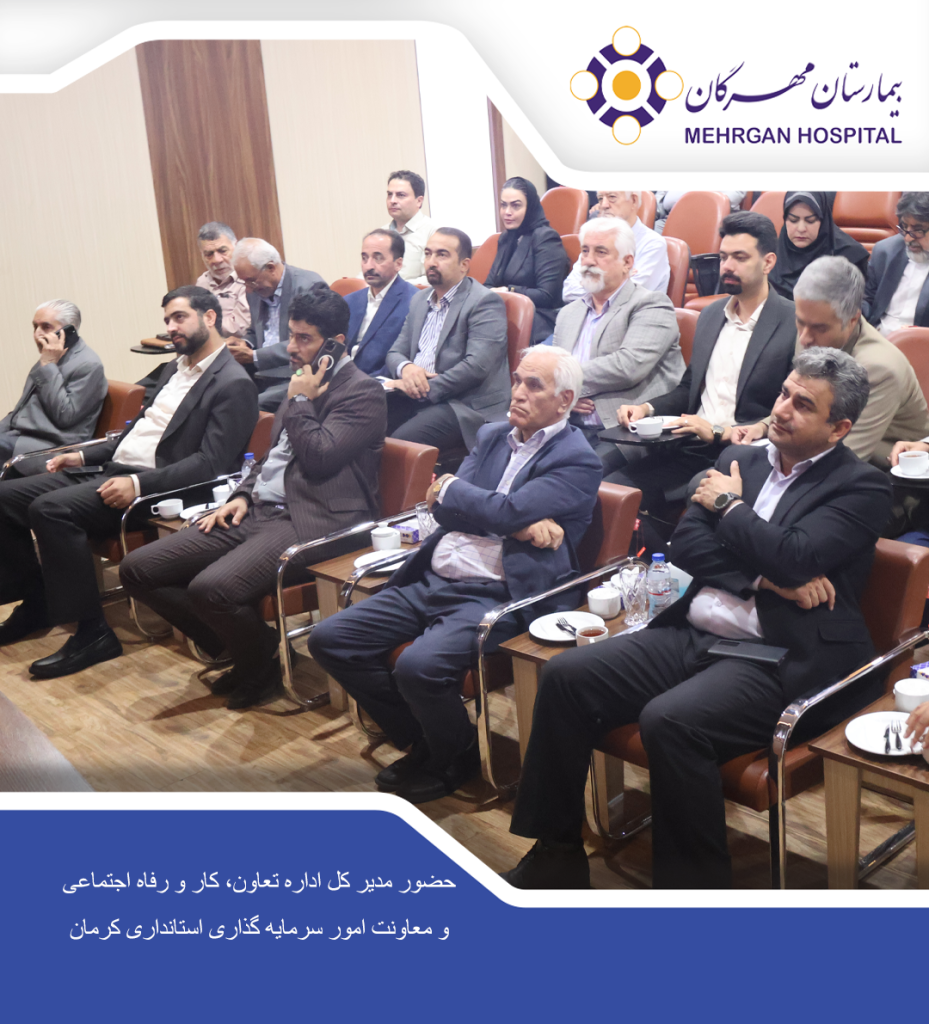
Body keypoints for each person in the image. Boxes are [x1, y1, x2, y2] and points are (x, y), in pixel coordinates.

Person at [502, 346, 892, 889]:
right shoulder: (743, 459)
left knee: (672, 720)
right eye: (784, 393)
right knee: (567, 676)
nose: (781, 409)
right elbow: (686, 545)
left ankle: (695, 897)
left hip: (777, 655)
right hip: (695, 630)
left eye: (804, 405)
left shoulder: (861, 486)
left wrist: (730, 508)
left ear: (839, 428)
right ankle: (556, 854)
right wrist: (762, 579)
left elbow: (796, 556)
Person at [309, 346, 602, 804]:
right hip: (432, 577)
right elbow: (443, 510)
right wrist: (511, 522)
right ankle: (425, 739)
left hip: (496, 593)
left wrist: (458, 491)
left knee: (418, 667)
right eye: (517, 380)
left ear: (565, 400)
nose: (518, 392)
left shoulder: (577, 459)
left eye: (534, 385)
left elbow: (492, 506)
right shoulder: (491, 435)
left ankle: (455, 755)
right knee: (329, 640)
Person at [120, 285, 386, 710]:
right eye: (292, 335)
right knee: (138, 569)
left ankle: (257, 665)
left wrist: (300, 400)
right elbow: (272, 456)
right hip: (259, 509)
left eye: (304, 338)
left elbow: (319, 458)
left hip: (314, 518)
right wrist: (242, 494)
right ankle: (253, 649)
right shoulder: (302, 379)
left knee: (212, 589)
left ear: (335, 343)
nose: (292, 348)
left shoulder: (362, 391)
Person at [0, 286, 259, 678]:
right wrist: (83, 455)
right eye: (167, 320)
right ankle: (38, 600)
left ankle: (93, 633)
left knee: (51, 510)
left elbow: (210, 464)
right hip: (112, 471)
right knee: (4, 497)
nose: (171, 327)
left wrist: (138, 485)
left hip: (157, 489)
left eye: (180, 317)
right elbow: (135, 433)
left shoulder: (233, 383)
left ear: (209, 317)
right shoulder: (174, 369)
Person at [613, 212, 796, 540]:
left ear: (768, 262)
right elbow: (689, 387)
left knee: (690, 495)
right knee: (612, 488)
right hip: (689, 447)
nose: (727, 266)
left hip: (746, 454)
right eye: (724, 257)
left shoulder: (792, 321)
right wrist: (646, 409)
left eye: (740, 257)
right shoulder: (711, 315)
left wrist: (719, 432)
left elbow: (791, 408)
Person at [733, 256, 929, 466]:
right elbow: (800, 399)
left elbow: (844, 460)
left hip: (883, 470)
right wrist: (764, 426)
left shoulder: (879, 368)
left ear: (852, 320)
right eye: (800, 321)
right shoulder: (813, 334)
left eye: (820, 328)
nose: (804, 338)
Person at [553, 217, 682, 476]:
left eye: (601, 252)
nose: (589, 261)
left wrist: (566, 384)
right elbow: (553, 369)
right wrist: (562, 397)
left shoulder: (651, 304)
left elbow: (627, 366)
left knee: (571, 474)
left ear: (627, 262)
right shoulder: (568, 313)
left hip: (622, 431)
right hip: (569, 424)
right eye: (585, 251)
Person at [384, 228, 509, 455]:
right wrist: (407, 368)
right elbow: (395, 352)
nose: (431, 262)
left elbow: (476, 367)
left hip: (463, 404)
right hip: (417, 394)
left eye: (442, 255)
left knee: (400, 444)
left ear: (464, 265)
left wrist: (421, 389)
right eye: (428, 254)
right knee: (365, 423)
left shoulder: (484, 302)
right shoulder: (419, 299)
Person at [0, 300, 107, 475]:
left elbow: (65, 417)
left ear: (69, 330)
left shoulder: (88, 364)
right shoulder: (50, 356)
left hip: (51, 447)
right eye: (35, 327)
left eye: (46, 327)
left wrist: (48, 365)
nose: (37, 334)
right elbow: (21, 409)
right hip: (20, 437)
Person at [229, 238, 326, 411]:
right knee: (221, 395)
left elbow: (307, 342)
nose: (248, 289)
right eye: (243, 282)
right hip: (260, 371)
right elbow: (256, 331)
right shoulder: (255, 289)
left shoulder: (309, 286)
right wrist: (244, 343)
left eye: (251, 281)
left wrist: (255, 356)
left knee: (248, 407)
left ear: (271, 268)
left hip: (295, 373)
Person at [483, 176, 568, 344]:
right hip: (506, 312)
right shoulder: (506, 238)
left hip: (539, 318)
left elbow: (547, 296)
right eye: (503, 205)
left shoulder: (546, 237)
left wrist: (509, 291)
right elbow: (488, 285)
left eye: (516, 206)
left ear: (530, 207)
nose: (507, 212)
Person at [563, 190, 670, 302]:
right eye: (600, 199)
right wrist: (617, 283)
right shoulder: (594, 240)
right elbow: (569, 292)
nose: (604, 205)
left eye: (612, 197)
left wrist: (589, 285)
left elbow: (628, 298)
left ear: (633, 200)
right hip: (586, 311)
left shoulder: (653, 244)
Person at [768, 191, 869, 301]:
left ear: (823, 220)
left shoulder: (849, 256)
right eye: (793, 220)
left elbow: (856, 305)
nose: (801, 229)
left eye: (810, 221)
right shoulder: (771, 253)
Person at [345, 229, 417, 377]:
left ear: (398, 264)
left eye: (378, 258)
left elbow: (406, 358)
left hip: (379, 384)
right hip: (340, 381)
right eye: (364, 258)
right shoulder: (349, 301)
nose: (368, 266)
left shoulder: (414, 302)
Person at [863, 192, 929, 333]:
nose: (907, 238)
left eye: (918, 230)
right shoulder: (884, 251)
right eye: (904, 227)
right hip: (878, 336)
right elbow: (866, 299)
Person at [194, 221, 251, 338]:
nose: (216, 260)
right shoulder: (202, 282)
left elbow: (238, 328)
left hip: (238, 346)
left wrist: (199, 327)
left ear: (236, 247)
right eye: (209, 254)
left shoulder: (249, 280)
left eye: (222, 251)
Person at [383, 171, 434, 287]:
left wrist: (394, 287)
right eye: (390, 194)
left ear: (419, 201)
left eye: (401, 195)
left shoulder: (434, 232)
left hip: (415, 295)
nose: (392, 201)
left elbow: (433, 278)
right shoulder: (380, 234)